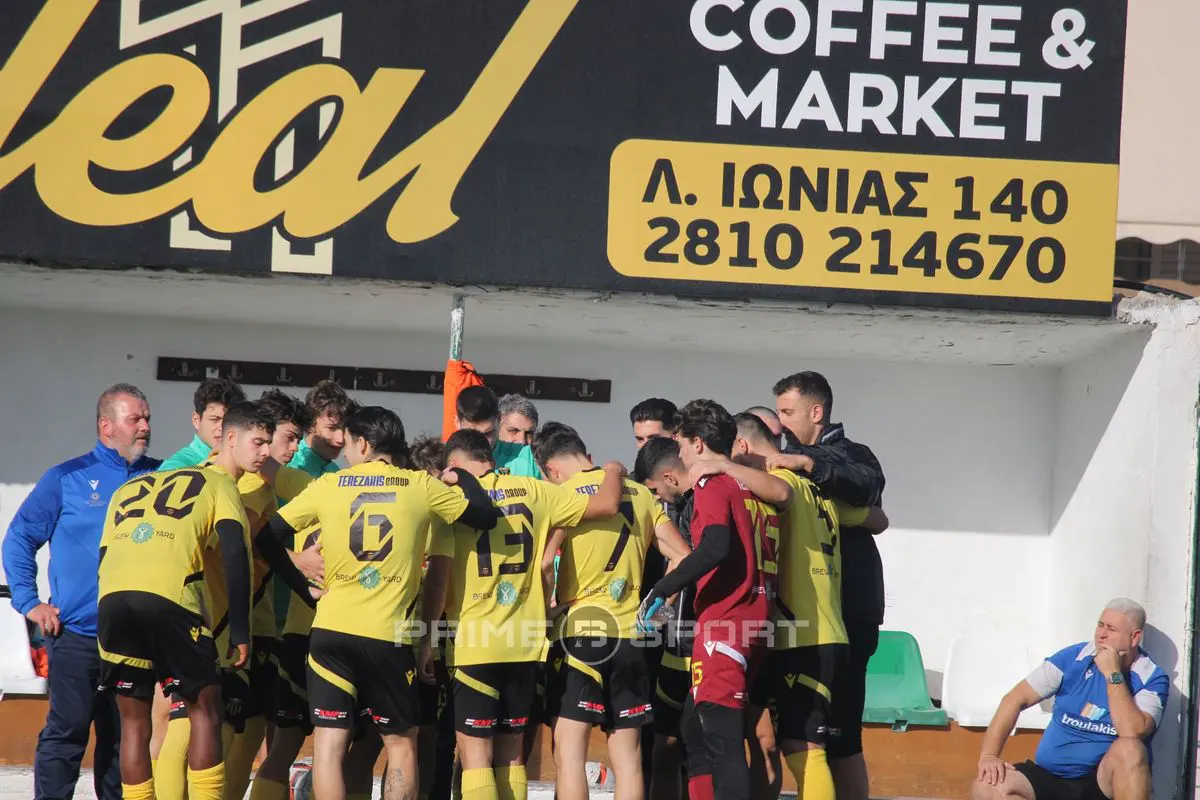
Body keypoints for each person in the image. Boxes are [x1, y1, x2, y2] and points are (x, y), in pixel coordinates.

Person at [259, 407, 503, 800]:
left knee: (328, 745)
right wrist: (463, 479)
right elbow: (485, 516)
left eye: (348, 444)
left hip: (330, 632)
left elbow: (267, 537)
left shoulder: (330, 484)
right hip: (387, 637)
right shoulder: (419, 485)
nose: (345, 453)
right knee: (401, 744)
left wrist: (304, 589)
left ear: (364, 443)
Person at [96, 402, 319, 800]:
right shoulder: (223, 483)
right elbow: (238, 551)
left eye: (271, 442)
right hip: (194, 614)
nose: (267, 453)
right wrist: (240, 631)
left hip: (114, 602)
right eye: (260, 442)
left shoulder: (134, 486)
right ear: (229, 438)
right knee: (202, 713)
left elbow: (104, 557)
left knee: (135, 723)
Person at [420, 429, 625, 800]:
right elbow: (608, 504)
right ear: (489, 458)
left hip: (475, 644)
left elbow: (437, 579)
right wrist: (612, 469)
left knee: (476, 759)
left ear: (454, 465)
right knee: (512, 756)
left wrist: (427, 639)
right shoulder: (536, 490)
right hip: (525, 643)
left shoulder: (451, 501)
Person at [2, 384, 158, 800]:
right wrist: (29, 602)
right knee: (67, 732)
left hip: (136, 640)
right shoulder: (66, 478)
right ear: (106, 426)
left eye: (147, 418)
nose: (145, 427)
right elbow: (19, 538)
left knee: (124, 737)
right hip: (75, 635)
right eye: (135, 419)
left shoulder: (162, 478)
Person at [724, 413, 887, 800]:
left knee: (806, 751)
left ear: (741, 446)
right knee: (794, 744)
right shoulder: (817, 489)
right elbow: (878, 518)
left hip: (806, 636)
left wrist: (719, 467)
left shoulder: (781, 484)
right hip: (822, 632)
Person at [638, 400, 786, 800]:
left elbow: (715, 546)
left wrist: (662, 589)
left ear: (698, 444)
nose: (680, 453)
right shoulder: (754, 484)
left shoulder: (711, 483)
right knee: (694, 729)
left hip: (726, 623)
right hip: (758, 620)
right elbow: (783, 496)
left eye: (681, 444)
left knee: (721, 742)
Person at [536, 425, 690, 800]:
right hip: (631, 637)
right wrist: (656, 612)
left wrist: (546, 612)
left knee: (570, 754)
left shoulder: (563, 496)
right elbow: (685, 558)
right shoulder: (641, 494)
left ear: (552, 470)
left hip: (581, 635)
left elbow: (544, 564)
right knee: (629, 759)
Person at [768, 372, 885, 800]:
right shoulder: (780, 462)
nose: (780, 423)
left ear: (816, 412)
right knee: (786, 737)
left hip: (848, 615)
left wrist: (809, 465)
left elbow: (868, 488)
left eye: (788, 412)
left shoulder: (853, 454)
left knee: (841, 739)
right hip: (797, 621)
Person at [971, 600, 1168, 800]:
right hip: (1050, 776)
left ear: (1135, 637)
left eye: (1111, 629)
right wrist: (989, 756)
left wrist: (1112, 674)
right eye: (1100, 625)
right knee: (987, 786)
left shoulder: (1150, 677)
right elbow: (1014, 699)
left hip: (1100, 782)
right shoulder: (1073, 658)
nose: (1101, 634)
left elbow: (1132, 731)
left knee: (1130, 749)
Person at [634, 439, 697, 800]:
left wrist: (658, 611)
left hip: (701, 639)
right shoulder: (679, 503)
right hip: (673, 641)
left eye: (655, 490)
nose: (655, 498)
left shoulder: (701, 501)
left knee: (698, 747)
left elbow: (684, 560)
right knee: (665, 742)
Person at [158, 378, 246, 470]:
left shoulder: (249, 461)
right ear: (196, 421)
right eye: (215, 419)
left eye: (229, 421)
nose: (222, 428)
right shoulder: (174, 467)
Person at [455, 386, 541, 477]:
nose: (481, 442)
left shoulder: (529, 457)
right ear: (457, 423)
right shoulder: (445, 461)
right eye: (472, 434)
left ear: (499, 419)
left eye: (488, 433)